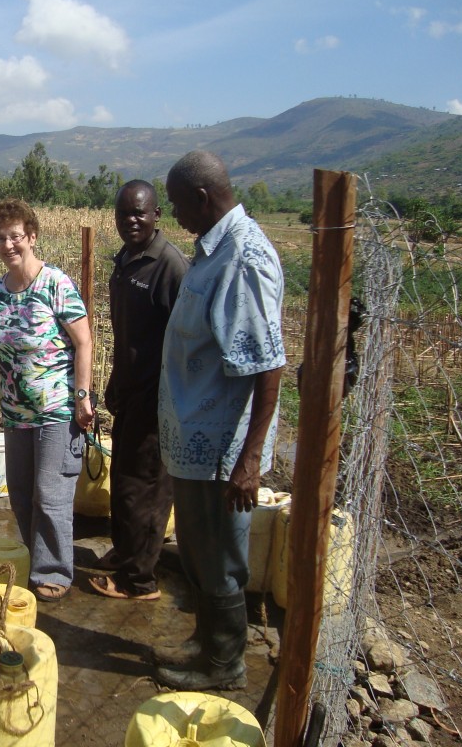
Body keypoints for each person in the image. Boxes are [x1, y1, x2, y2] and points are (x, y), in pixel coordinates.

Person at [154, 151, 285, 690]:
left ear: (202, 198)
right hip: (193, 441)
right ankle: (206, 644)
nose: (176, 216)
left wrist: (249, 460)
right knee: (199, 553)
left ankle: (225, 665)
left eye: (180, 205)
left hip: (220, 454)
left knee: (222, 559)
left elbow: (267, 367)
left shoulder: (243, 258)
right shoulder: (213, 250)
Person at [0, 199, 94, 603]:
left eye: (16, 236)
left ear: (32, 237)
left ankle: (53, 570)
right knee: (20, 492)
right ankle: (35, 559)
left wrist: (83, 396)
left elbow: (84, 341)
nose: (9, 244)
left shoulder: (54, 283)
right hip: (15, 410)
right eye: (1, 237)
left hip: (57, 408)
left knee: (50, 491)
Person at [89, 181, 189, 601]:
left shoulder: (169, 267)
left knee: (145, 486)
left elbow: (184, 340)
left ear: (156, 216)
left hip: (157, 397)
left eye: (140, 213)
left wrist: (165, 398)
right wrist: (115, 381)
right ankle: (127, 552)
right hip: (129, 387)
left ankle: (140, 580)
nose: (131, 221)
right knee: (126, 478)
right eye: (123, 213)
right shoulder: (127, 260)